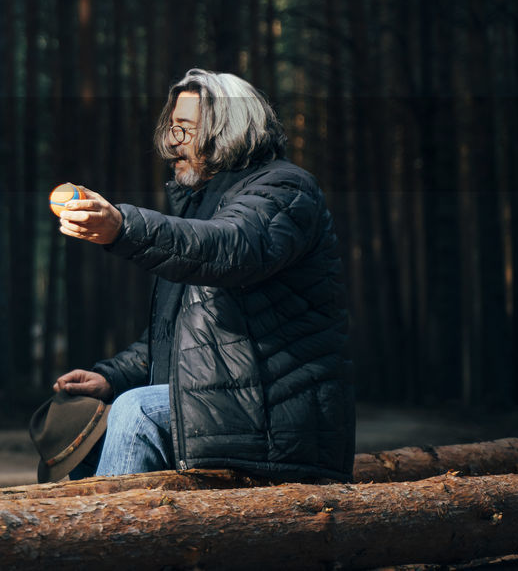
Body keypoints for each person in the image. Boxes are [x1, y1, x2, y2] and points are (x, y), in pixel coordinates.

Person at [54, 68, 354, 482]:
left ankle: (104, 542)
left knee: (137, 410)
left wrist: (124, 228)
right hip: (234, 404)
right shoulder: (203, 204)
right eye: (172, 127)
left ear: (227, 131)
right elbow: (180, 336)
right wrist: (113, 376)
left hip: (281, 415)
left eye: (186, 129)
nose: (171, 142)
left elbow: (233, 247)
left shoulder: (285, 189)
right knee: (88, 428)